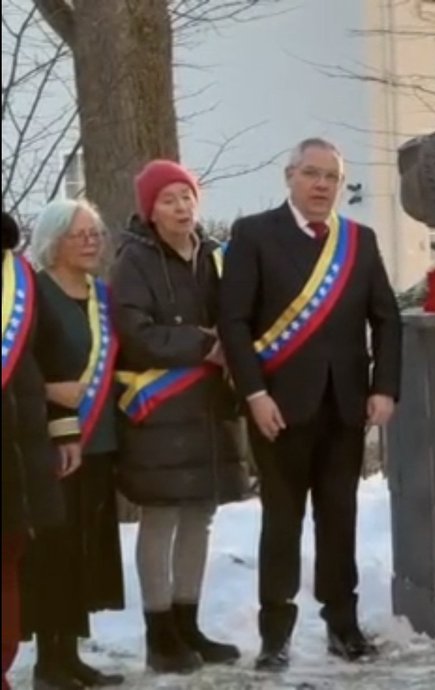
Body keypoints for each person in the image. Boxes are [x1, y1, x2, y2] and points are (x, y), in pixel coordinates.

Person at [219, 138, 402, 672]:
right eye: (311, 174)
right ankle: (275, 635)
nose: (322, 185)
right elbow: (234, 322)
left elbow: (386, 319)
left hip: (344, 407)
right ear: (289, 176)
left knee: (339, 519)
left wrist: (384, 386)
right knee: (282, 522)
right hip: (277, 408)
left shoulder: (359, 242)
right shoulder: (253, 234)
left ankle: (342, 627)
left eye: (332, 178)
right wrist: (254, 394)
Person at [111, 160, 248, 675]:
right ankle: (159, 633)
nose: (181, 207)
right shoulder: (135, 261)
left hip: (210, 410)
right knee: (162, 515)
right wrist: (203, 344)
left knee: (200, 513)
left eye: (187, 196)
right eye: (168, 199)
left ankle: (188, 624)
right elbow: (136, 333)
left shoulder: (213, 256)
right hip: (161, 411)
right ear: (150, 209)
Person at [21, 200, 125, 688]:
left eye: (96, 233)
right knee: (54, 551)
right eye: (79, 234)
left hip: (99, 441)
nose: (91, 241)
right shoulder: (33, 295)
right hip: (48, 442)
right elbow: (17, 366)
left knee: (84, 550)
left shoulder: (102, 297)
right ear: (53, 241)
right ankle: (49, 660)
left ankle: (72, 654)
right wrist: (49, 392)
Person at [2, 210, 81, 690]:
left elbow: (56, 360)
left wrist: (65, 430)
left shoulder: (22, 277)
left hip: (18, 450)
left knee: (7, 561)